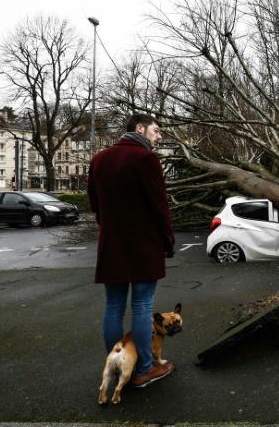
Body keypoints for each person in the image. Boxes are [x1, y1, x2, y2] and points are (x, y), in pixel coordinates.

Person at [87, 113, 176, 388]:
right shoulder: (146, 159)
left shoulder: (99, 158)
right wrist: (167, 240)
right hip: (143, 244)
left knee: (113, 307)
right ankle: (142, 371)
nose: (159, 137)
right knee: (141, 306)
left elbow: (94, 202)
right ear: (140, 128)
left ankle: (117, 367)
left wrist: (109, 226)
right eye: (156, 130)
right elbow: (158, 205)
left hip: (112, 244)